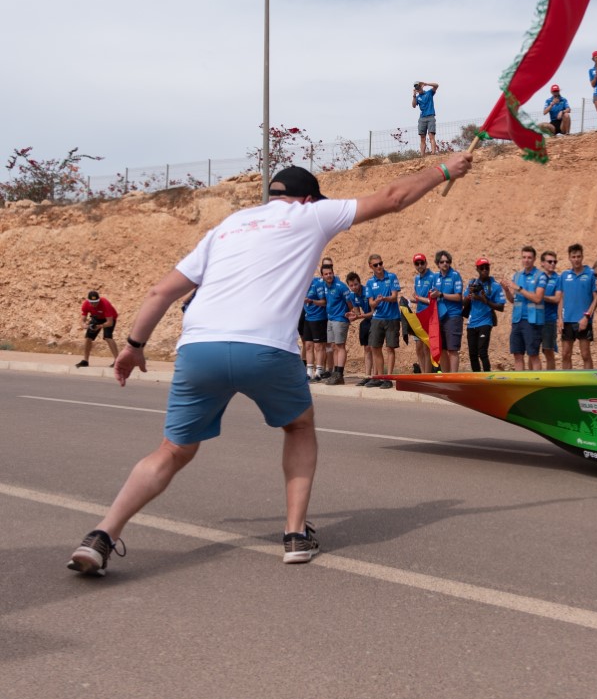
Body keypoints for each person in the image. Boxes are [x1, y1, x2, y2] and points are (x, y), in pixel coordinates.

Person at [66, 155, 473, 575]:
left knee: (172, 450)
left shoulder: (226, 227)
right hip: (265, 348)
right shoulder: (309, 214)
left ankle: (101, 535)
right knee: (298, 426)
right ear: (309, 198)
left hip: (199, 346)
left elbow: (159, 293)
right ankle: (295, 534)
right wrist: (444, 170)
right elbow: (392, 197)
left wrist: (133, 346)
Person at [501, 246, 547, 371]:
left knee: (533, 355)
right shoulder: (517, 276)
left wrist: (519, 288)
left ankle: (537, 382)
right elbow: (513, 300)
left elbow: (538, 298)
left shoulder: (540, 276)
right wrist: (507, 290)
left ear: (534, 259)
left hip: (532, 321)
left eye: (529, 258)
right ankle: (520, 383)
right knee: (517, 354)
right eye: (524, 257)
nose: (526, 260)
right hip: (517, 320)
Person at [365, 253, 402, 389]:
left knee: (390, 348)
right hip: (377, 318)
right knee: (375, 347)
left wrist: (384, 299)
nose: (379, 266)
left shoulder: (391, 277)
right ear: (371, 266)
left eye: (380, 263)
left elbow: (394, 297)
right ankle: (380, 376)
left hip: (392, 317)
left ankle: (389, 377)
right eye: (376, 265)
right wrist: (377, 301)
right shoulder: (370, 282)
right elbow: (371, 304)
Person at [558, 243, 597, 369]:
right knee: (565, 354)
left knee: (585, 354)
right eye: (573, 257)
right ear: (569, 258)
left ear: (582, 257)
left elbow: (596, 298)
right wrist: (559, 319)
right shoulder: (564, 276)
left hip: (583, 320)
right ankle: (566, 383)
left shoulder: (591, 274)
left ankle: (589, 384)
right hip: (567, 320)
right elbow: (561, 299)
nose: (576, 259)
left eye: (578, 256)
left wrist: (586, 317)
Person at [463, 258, 505, 372]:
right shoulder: (472, 283)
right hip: (472, 323)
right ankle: (477, 378)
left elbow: (501, 307)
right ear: (477, 269)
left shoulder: (495, 286)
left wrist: (484, 300)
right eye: (482, 268)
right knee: (472, 354)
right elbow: (463, 303)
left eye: (487, 267)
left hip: (486, 321)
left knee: (482, 352)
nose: (485, 270)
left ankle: (487, 377)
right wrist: (470, 294)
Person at [320, 265, 356, 385]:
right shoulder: (325, 286)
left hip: (340, 319)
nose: (329, 275)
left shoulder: (340, 286)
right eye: (326, 274)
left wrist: (352, 314)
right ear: (323, 276)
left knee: (340, 346)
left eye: (330, 273)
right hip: (330, 319)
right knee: (334, 346)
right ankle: (336, 373)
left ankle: (339, 373)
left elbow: (350, 303)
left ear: (333, 273)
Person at [431, 250, 465, 373]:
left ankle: (454, 377)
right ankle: (445, 377)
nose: (445, 264)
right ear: (438, 264)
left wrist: (441, 294)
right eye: (442, 262)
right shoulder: (435, 277)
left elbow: (458, 297)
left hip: (453, 316)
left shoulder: (455, 275)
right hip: (439, 317)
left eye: (447, 261)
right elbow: (432, 296)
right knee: (443, 349)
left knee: (453, 349)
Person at [345, 272, 375, 386]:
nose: (354, 287)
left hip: (375, 319)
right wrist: (353, 316)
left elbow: (373, 312)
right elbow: (357, 312)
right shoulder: (352, 296)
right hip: (365, 320)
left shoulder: (368, 291)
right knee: (366, 349)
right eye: (351, 285)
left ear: (360, 283)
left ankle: (375, 375)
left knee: (374, 348)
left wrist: (359, 316)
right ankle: (367, 376)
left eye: (356, 284)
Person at [77, 290, 119, 368]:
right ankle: (85, 360)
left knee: (108, 337)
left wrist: (99, 326)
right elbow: (82, 320)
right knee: (88, 337)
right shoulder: (86, 304)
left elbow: (110, 322)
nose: (94, 304)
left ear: (99, 299)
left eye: (96, 302)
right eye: (92, 302)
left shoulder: (105, 303)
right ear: (88, 301)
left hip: (109, 318)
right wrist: (85, 325)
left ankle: (118, 361)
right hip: (97, 317)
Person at [302, 269, 329, 381]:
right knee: (308, 345)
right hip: (307, 318)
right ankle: (309, 372)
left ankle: (319, 371)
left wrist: (311, 301)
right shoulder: (300, 285)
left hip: (318, 318)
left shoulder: (317, 283)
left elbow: (324, 302)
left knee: (319, 346)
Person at [410, 252, 435, 372]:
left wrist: (418, 298)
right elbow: (418, 297)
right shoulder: (417, 279)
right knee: (418, 348)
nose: (419, 265)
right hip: (419, 315)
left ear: (426, 263)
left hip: (429, 315)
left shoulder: (433, 277)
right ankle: (423, 373)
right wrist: (412, 300)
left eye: (422, 263)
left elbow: (432, 301)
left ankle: (427, 375)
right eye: (417, 263)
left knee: (426, 348)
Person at [539, 250, 561, 371]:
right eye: (549, 261)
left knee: (549, 351)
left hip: (549, 319)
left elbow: (557, 298)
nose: (552, 264)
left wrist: (540, 296)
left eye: (554, 261)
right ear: (542, 263)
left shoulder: (557, 279)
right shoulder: (537, 277)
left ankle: (550, 379)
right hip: (535, 318)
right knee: (533, 352)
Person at [412, 81, 440, 156]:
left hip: (430, 116)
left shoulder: (429, 93)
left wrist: (427, 84)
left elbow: (436, 85)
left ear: (421, 86)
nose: (418, 88)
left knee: (431, 135)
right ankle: (422, 155)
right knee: (422, 137)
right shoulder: (417, 97)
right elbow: (414, 105)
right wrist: (414, 95)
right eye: (416, 88)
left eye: (419, 87)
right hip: (422, 118)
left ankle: (433, 153)